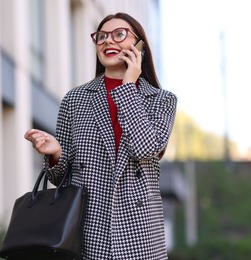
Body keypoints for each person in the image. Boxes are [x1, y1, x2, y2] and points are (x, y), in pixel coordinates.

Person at [24, 12, 177, 259]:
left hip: (139, 234)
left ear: (139, 45)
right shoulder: (75, 99)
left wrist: (128, 85)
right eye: (101, 36)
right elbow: (60, 178)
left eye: (119, 34)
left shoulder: (162, 100)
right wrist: (56, 154)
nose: (108, 41)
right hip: (87, 230)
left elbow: (144, 148)